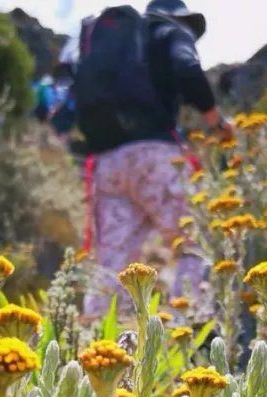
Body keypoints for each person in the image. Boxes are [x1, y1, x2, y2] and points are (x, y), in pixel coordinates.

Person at [72, 0, 231, 317]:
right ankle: (190, 329)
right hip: (155, 156)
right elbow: (188, 70)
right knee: (198, 242)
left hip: (107, 162)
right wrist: (217, 123)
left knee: (113, 261)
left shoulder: (117, 43)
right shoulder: (171, 31)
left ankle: (100, 342)